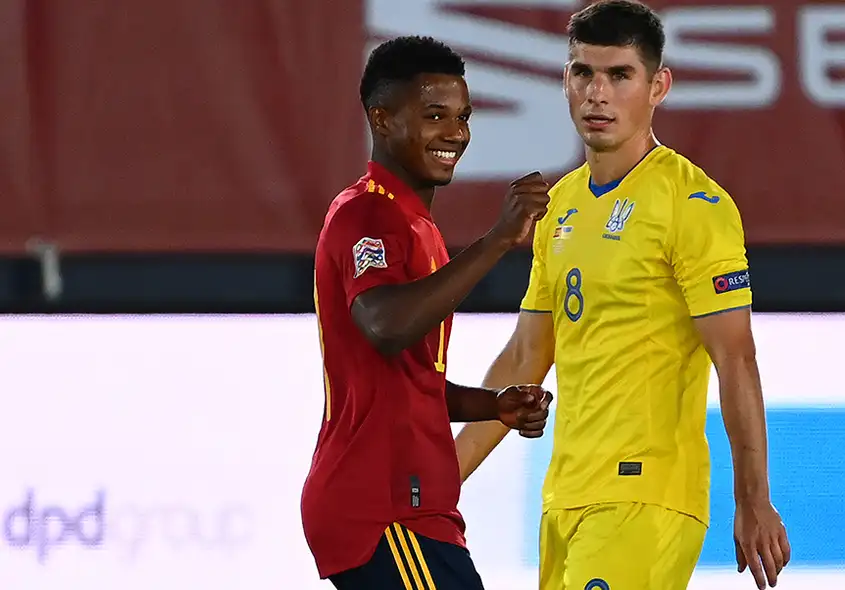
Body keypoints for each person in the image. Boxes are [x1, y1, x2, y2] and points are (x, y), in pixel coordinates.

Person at [454, 2, 791, 589]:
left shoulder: (692, 204)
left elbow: (735, 356)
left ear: (658, 86)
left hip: (646, 495)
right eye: (583, 73)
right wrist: (441, 478)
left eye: (619, 75)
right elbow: (525, 357)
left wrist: (753, 498)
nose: (597, 94)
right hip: (566, 497)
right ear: (565, 80)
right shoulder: (560, 205)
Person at [301, 35, 554, 590]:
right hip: (386, 510)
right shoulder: (370, 214)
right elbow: (385, 325)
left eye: (463, 116)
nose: (456, 134)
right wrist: (498, 240)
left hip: (405, 508)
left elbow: (406, 382)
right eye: (435, 115)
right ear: (382, 118)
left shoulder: (412, 224)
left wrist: (494, 406)